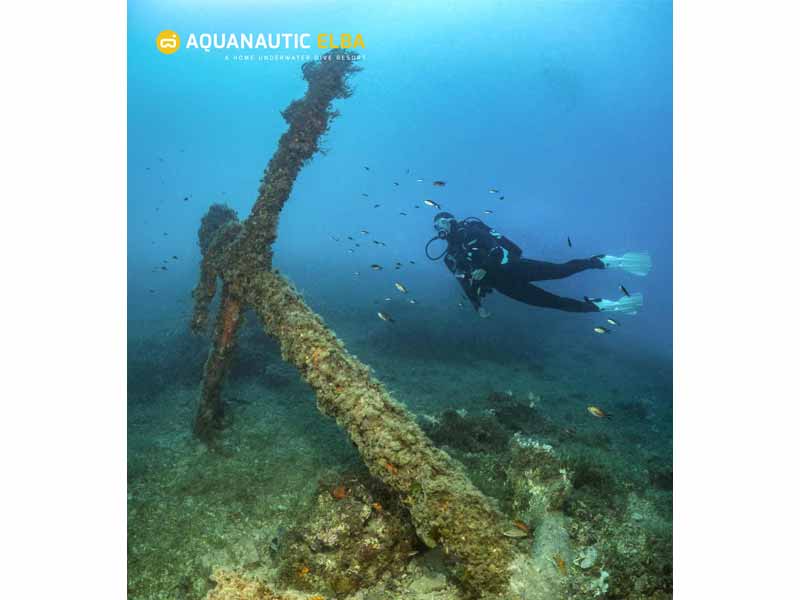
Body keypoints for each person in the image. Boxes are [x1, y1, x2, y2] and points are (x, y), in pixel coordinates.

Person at [425, 212, 651, 318]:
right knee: (553, 303)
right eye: (436, 226)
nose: (439, 229)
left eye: (442, 222)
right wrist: (477, 306)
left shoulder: (473, 231)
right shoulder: (450, 256)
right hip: (505, 286)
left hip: (513, 267)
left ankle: (605, 261)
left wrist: (485, 265)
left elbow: (495, 246)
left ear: (453, 221)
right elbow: (462, 282)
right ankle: (606, 306)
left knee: (562, 271)